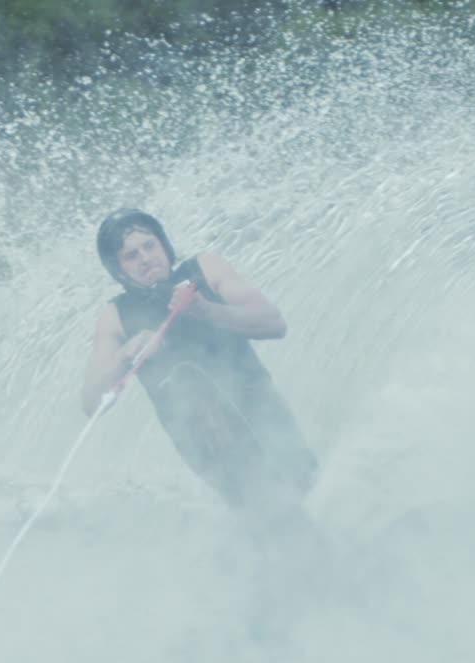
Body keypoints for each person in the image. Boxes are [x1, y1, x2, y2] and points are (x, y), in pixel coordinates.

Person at [81, 208, 318, 532]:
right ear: (119, 270)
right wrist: (126, 354)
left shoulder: (205, 270)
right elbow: (91, 403)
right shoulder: (116, 317)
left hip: (261, 411)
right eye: (131, 256)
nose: (145, 258)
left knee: (304, 486)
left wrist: (207, 311)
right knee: (266, 513)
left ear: (164, 245)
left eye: (149, 246)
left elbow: (274, 324)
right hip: (206, 444)